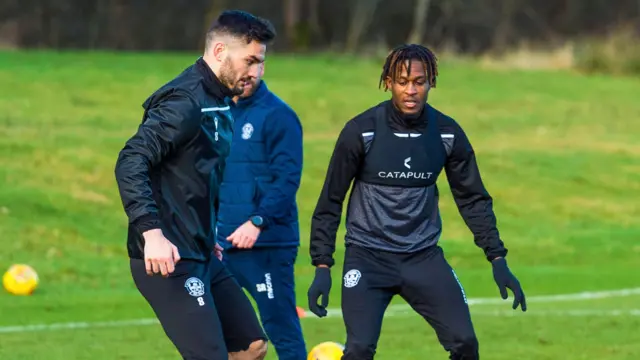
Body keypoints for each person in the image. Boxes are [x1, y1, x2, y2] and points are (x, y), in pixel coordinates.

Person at [306, 44, 527, 360]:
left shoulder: (447, 134)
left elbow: (473, 199)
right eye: (402, 81)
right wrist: (322, 265)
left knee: (465, 344)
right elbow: (331, 200)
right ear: (388, 83)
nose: (411, 90)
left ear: (431, 83)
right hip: (368, 259)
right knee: (359, 350)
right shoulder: (361, 131)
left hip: (422, 259)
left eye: (419, 82)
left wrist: (498, 258)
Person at [114, 10, 277, 360]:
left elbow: (195, 175)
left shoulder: (218, 99)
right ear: (220, 52)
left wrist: (209, 230)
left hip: (201, 248)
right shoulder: (184, 101)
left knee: (251, 347)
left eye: (261, 63)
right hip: (167, 257)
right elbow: (131, 160)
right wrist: (151, 233)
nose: (257, 72)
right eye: (251, 61)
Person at [215, 59, 307, 359]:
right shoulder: (216, 113)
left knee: (280, 327)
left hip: (266, 245)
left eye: (258, 65)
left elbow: (288, 180)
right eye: (246, 64)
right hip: (219, 245)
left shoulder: (278, 115)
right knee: (216, 333)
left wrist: (258, 221)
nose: (251, 73)